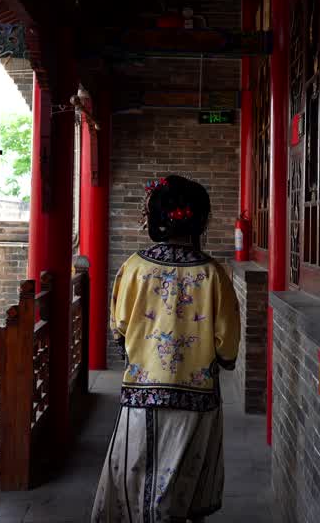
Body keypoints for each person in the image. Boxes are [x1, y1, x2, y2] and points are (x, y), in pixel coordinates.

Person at [92, 174, 241, 523]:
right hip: (196, 396)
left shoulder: (134, 267)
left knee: (134, 473)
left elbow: (120, 326)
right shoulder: (212, 273)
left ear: (154, 218)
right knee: (183, 479)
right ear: (198, 219)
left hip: (142, 392)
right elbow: (227, 342)